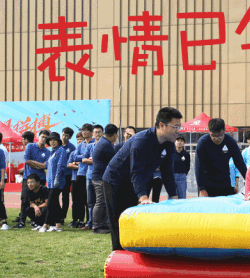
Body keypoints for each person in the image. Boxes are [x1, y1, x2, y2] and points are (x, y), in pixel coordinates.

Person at [103, 107, 182, 251]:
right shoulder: (142, 141)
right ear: (161, 125)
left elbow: (167, 172)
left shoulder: (169, 144)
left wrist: (174, 196)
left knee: (132, 221)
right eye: (175, 127)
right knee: (119, 222)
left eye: (179, 127)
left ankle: (131, 256)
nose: (178, 130)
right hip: (115, 181)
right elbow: (136, 172)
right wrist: (143, 197)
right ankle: (118, 258)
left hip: (136, 182)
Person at [195, 118, 247, 197]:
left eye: (219, 135)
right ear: (209, 132)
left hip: (224, 183)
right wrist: (201, 188)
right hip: (207, 185)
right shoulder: (203, 143)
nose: (216, 139)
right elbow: (198, 167)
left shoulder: (230, 142)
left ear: (224, 131)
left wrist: (249, 181)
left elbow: (240, 163)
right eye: (213, 136)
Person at [14, 130, 50, 228]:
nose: (44, 139)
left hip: (41, 179)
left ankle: (37, 221)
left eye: (46, 138)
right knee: (25, 200)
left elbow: (46, 166)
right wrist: (40, 165)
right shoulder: (30, 146)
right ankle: (22, 221)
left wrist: (35, 164)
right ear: (38, 136)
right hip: (28, 178)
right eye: (42, 136)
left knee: (40, 201)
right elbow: (27, 161)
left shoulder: (47, 151)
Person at [90, 124, 118, 234]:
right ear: (114, 135)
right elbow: (115, 159)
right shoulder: (106, 144)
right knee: (100, 202)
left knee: (103, 201)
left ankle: (102, 224)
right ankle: (96, 226)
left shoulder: (102, 141)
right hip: (99, 178)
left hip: (98, 176)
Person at [37, 133, 68, 233]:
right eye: (50, 140)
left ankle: (46, 224)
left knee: (50, 202)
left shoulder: (61, 151)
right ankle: (58, 225)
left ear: (58, 141)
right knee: (55, 203)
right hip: (50, 181)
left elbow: (61, 165)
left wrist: (57, 178)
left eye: (54, 140)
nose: (52, 142)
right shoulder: (51, 152)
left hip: (57, 181)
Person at [72, 124, 94, 230]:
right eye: (82, 130)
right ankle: (80, 220)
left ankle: (89, 221)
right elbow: (75, 157)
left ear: (91, 132)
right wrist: (86, 157)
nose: (84, 132)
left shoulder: (95, 143)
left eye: (86, 130)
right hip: (80, 173)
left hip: (90, 174)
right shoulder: (81, 145)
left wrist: (84, 158)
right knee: (79, 199)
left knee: (89, 200)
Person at [66, 132, 83, 227]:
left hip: (83, 178)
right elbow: (68, 165)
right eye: (78, 139)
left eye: (81, 139)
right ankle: (74, 220)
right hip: (74, 178)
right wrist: (78, 165)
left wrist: (76, 164)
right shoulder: (73, 153)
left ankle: (82, 220)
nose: (79, 141)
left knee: (83, 201)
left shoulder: (86, 152)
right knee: (75, 201)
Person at [60, 127, 76, 225]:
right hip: (57, 174)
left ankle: (62, 217)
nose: (64, 137)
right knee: (53, 195)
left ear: (70, 137)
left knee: (65, 196)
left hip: (67, 175)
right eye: (63, 134)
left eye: (66, 135)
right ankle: (55, 215)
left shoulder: (72, 147)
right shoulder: (57, 145)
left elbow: (74, 161)